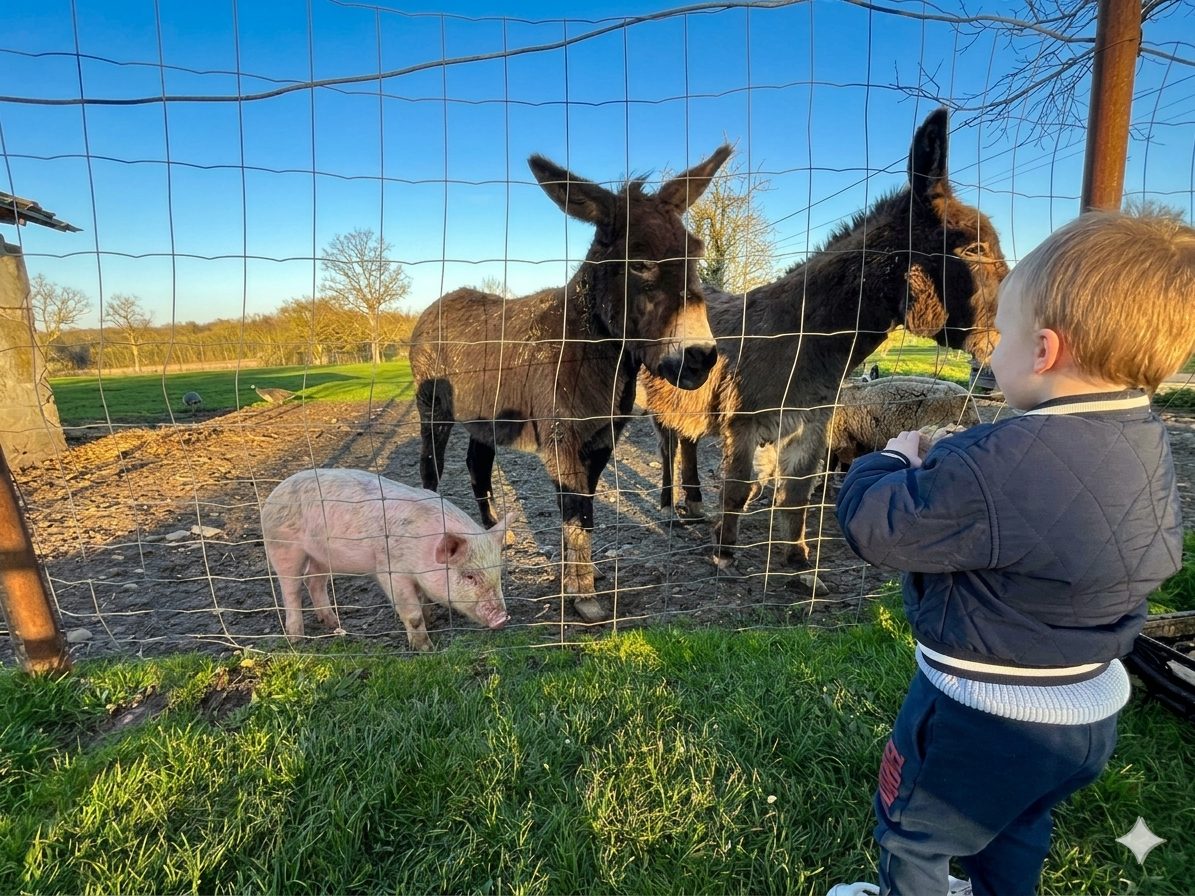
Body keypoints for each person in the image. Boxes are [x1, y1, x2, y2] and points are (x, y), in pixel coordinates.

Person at [828, 209, 1195, 896]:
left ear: (1042, 351)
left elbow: (876, 528)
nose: (986, 350)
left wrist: (887, 458)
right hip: (1086, 715)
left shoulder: (988, 459)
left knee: (913, 833)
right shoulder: (1146, 442)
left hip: (980, 713)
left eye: (998, 334)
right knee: (1017, 821)